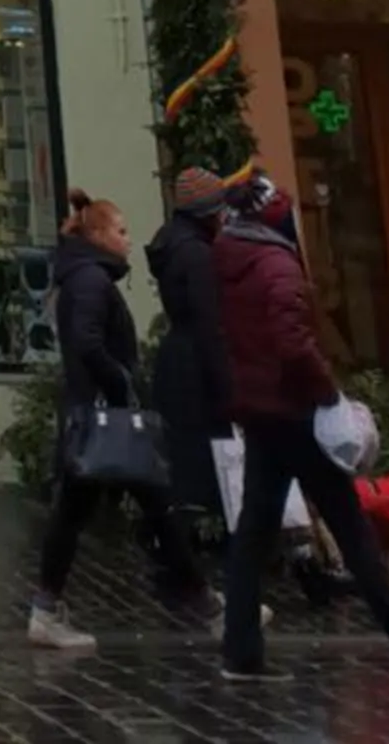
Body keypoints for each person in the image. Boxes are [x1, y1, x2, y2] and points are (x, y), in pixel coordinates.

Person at [217, 177, 389, 681]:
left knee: (252, 533)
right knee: (352, 532)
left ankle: (241, 650)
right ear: (276, 216)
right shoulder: (277, 264)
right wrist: (329, 394)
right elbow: (292, 342)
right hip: (296, 414)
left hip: (259, 412)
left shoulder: (227, 255)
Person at [28, 191, 210, 652]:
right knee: (145, 504)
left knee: (137, 506)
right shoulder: (91, 280)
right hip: (103, 419)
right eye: (122, 231)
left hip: (95, 417)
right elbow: (88, 343)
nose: (129, 240)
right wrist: (122, 384)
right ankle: (210, 606)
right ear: (98, 235)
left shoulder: (85, 277)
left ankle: (207, 603)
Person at [146, 166, 234, 535]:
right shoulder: (197, 255)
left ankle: (183, 545)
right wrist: (228, 388)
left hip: (179, 362)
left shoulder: (173, 245)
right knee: (209, 463)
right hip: (198, 368)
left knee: (186, 461)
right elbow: (209, 322)